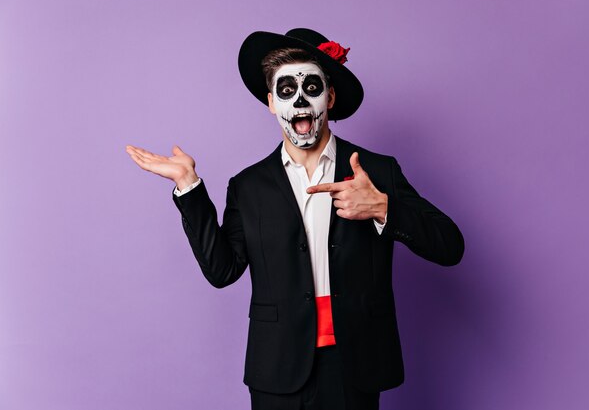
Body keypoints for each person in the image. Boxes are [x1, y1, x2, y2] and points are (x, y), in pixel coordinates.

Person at [126, 28, 464, 410]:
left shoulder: (376, 171)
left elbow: (450, 245)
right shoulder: (249, 186)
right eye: (286, 90)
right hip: (278, 368)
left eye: (312, 88)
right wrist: (189, 187)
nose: (300, 101)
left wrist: (383, 207)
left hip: (356, 366)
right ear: (271, 102)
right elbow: (222, 271)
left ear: (330, 97)